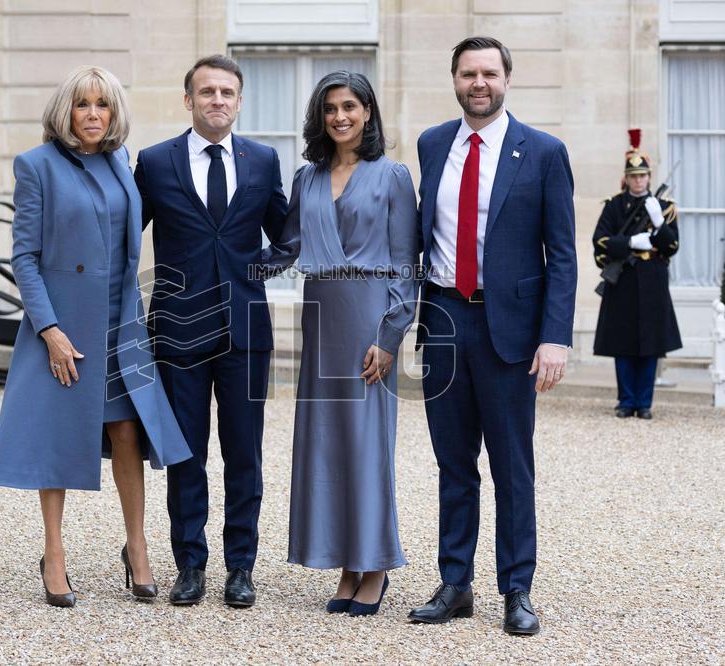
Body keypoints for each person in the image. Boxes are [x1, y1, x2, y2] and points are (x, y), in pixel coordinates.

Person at [0, 66, 191, 607]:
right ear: (66, 111)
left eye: (103, 104)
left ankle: (137, 547)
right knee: (56, 435)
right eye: (82, 104)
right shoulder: (36, 165)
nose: (93, 114)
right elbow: (24, 257)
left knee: (127, 431)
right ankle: (53, 554)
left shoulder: (122, 162)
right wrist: (49, 330)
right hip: (64, 324)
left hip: (120, 321)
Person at [408, 37, 577, 635]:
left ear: (507, 79)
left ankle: (517, 589)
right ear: (454, 80)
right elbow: (420, 236)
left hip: (511, 331)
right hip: (444, 319)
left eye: (488, 73)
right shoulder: (433, 144)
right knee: (453, 464)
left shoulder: (544, 151)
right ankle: (455, 583)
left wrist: (555, 337)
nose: (478, 83)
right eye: (467, 74)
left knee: (512, 466)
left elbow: (562, 254)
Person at [259, 71, 419, 617]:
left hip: (370, 318)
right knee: (328, 442)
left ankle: (374, 565)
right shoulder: (307, 178)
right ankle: (348, 563)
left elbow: (406, 263)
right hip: (322, 314)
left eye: (349, 106)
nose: (340, 117)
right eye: (330, 108)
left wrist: (390, 335)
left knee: (367, 442)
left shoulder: (393, 176)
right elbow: (286, 248)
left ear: (367, 111)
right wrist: (227, 264)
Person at [133, 55, 287, 608]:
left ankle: (241, 567)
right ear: (188, 100)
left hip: (246, 332)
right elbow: (126, 236)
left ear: (239, 101)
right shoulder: (155, 162)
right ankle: (190, 565)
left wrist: (255, 273)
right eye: (206, 92)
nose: (217, 100)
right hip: (178, 332)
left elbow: (288, 235)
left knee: (244, 455)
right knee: (186, 455)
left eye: (226, 92)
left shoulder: (263, 160)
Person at [592, 132, 681, 419]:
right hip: (624, 279)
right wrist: (630, 242)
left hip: (652, 278)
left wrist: (659, 223)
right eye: (633, 176)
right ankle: (626, 400)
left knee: (650, 343)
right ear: (627, 178)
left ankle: (644, 403)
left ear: (649, 177)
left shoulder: (664, 208)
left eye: (642, 175)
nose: (638, 181)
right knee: (623, 342)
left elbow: (672, 246)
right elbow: (600, 241)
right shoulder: (615, 205)